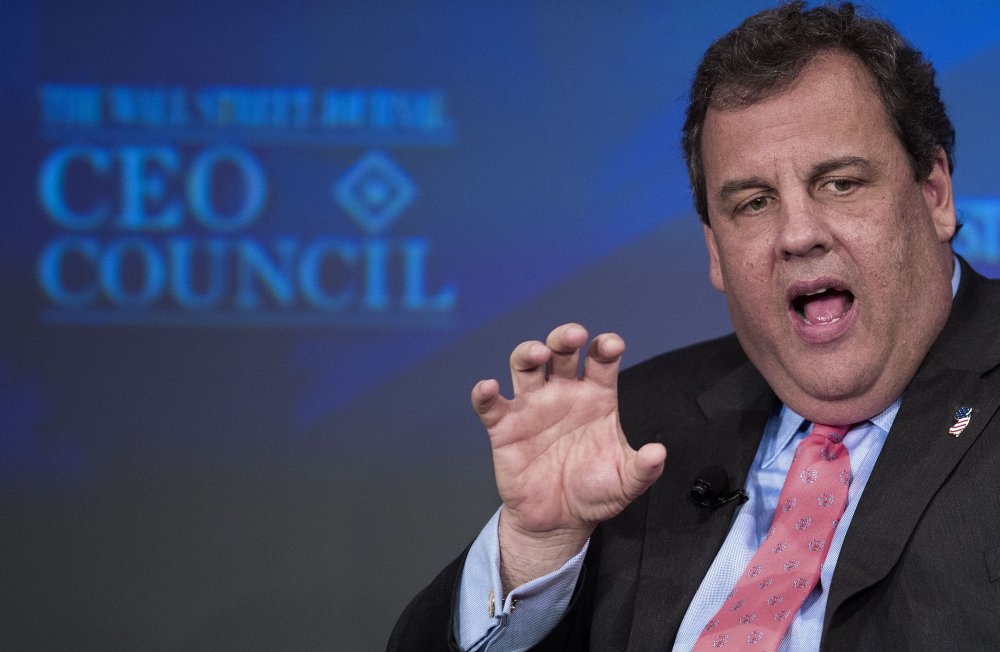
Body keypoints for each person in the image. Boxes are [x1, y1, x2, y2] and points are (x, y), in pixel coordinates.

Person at [389, 3, 1000, 650]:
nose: (797, 234)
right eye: (754, 203)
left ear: (934, 192)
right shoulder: (639, 428)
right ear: (714, 249)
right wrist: (535, 549)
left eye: (841, 184)